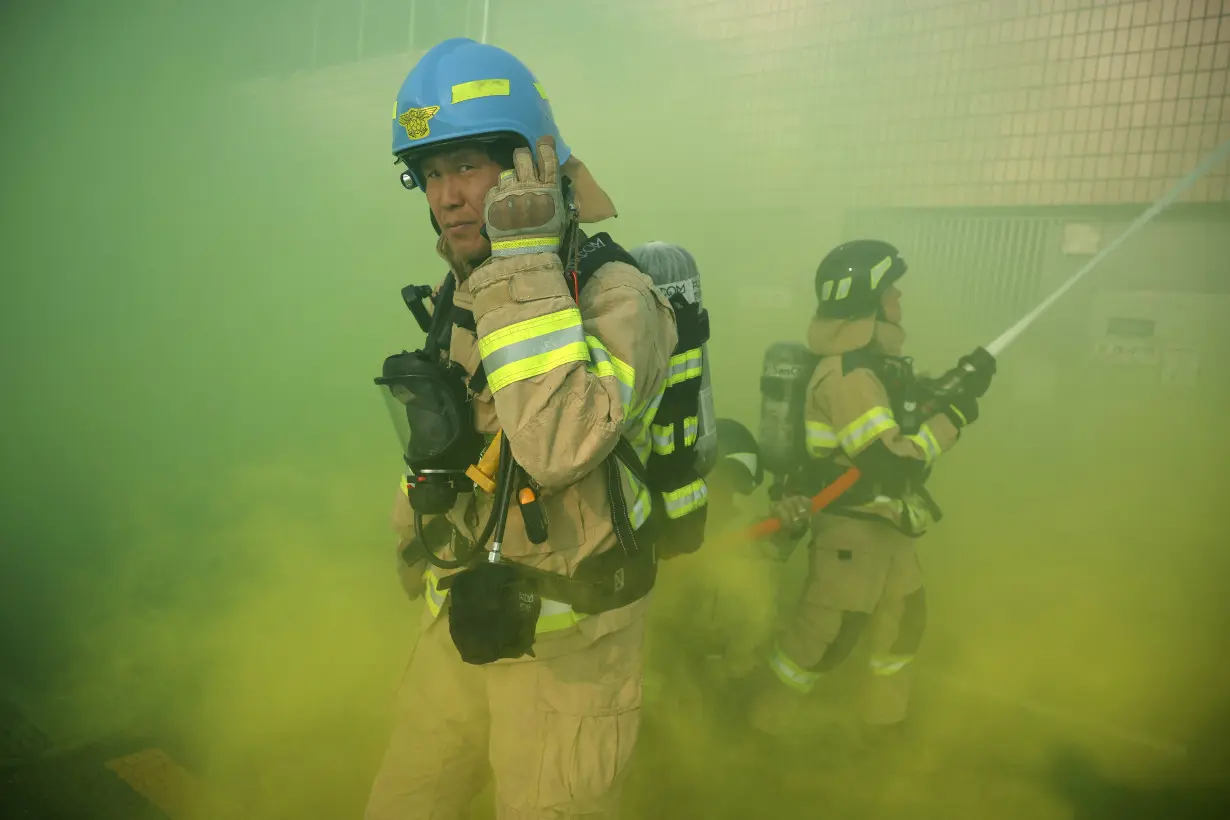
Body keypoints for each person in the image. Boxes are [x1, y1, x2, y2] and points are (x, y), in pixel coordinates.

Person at [367, 38, 678, 820]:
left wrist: (526, 265)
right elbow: (452, 439)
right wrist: (414, 544)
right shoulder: (466, 291)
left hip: (568, 655)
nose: (446, 196)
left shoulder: (616, 296)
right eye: (431, 174)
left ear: (530, 164)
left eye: (466, 166)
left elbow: (557, 444)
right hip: (464, 620)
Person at [746, 239, 995, 742]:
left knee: (903, 623)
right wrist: (954, 419)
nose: (900, 302)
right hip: (852, 531)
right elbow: (885, 463)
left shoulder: (871, 368)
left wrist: (958, 385)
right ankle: (759, 727)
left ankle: (885, 729)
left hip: (889, 526)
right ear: (870, 303)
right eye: (892, 295)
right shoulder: (848, 376)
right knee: (824, 638)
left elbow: (905, 408)